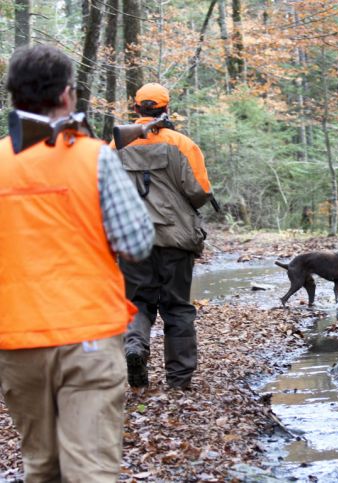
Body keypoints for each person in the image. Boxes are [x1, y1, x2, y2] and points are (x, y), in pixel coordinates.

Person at [0, 45, 155, 481]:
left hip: (17, 341)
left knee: (41, 466)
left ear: (13, 97)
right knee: (89, 470)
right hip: (88, 335)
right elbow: (137, 243)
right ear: (67, 96)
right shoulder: (94, 156)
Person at [114, 83, 213, 390]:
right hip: (176, 239)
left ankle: (134, 346)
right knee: (176, 307)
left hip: (131, 240)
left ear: (136, 109)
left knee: (137, 302)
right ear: (166, 110)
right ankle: (179, 380)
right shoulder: (183, 144)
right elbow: (199, 194)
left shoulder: (115, 146)